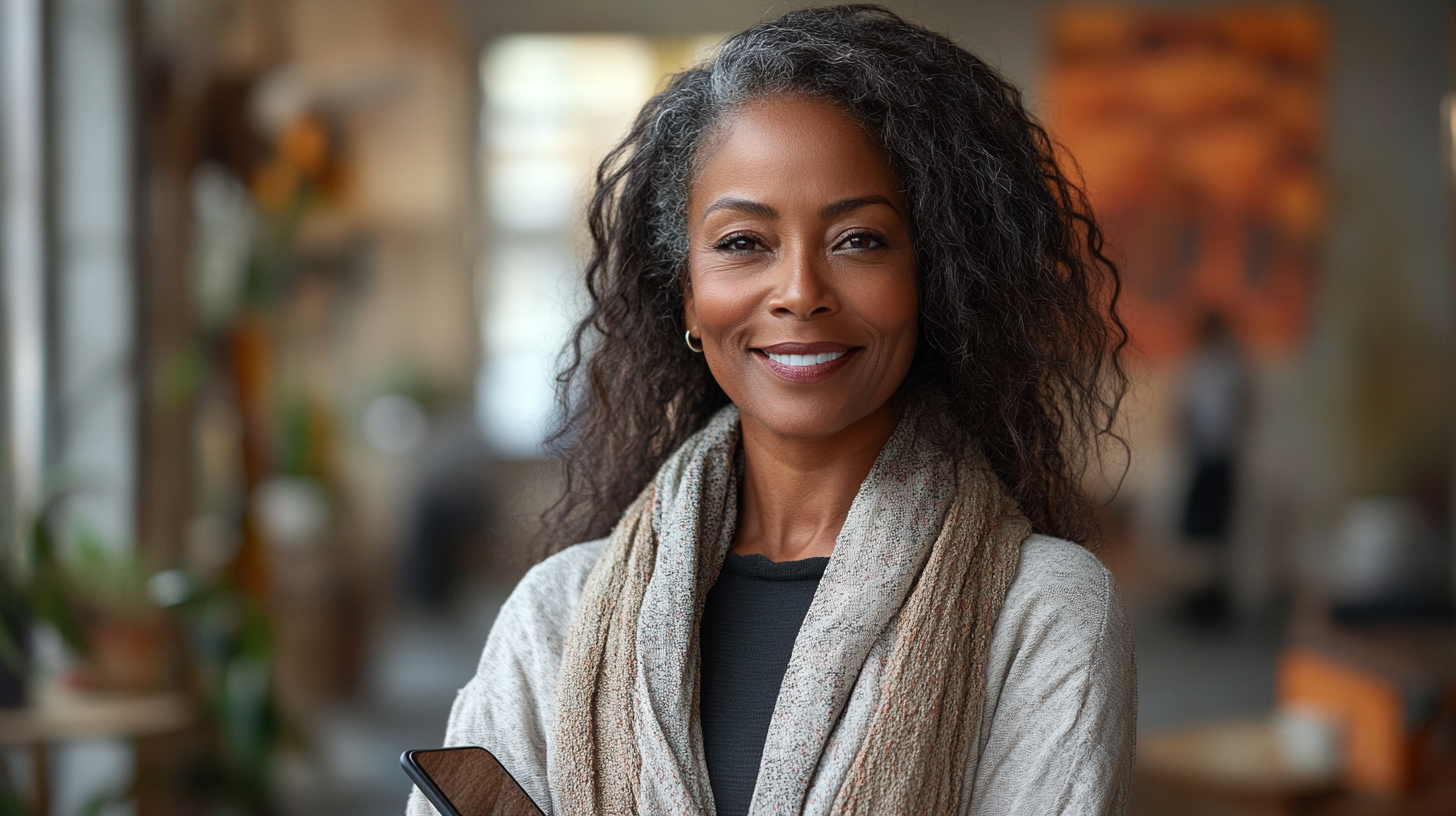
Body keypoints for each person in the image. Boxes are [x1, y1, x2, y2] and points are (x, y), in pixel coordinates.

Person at [408, 6, 1134, 815]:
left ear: (935, 281)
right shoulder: (561, 614)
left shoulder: (1042, 610)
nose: (799, 292)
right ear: (686, 292)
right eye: (743, 243)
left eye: (858, 239)